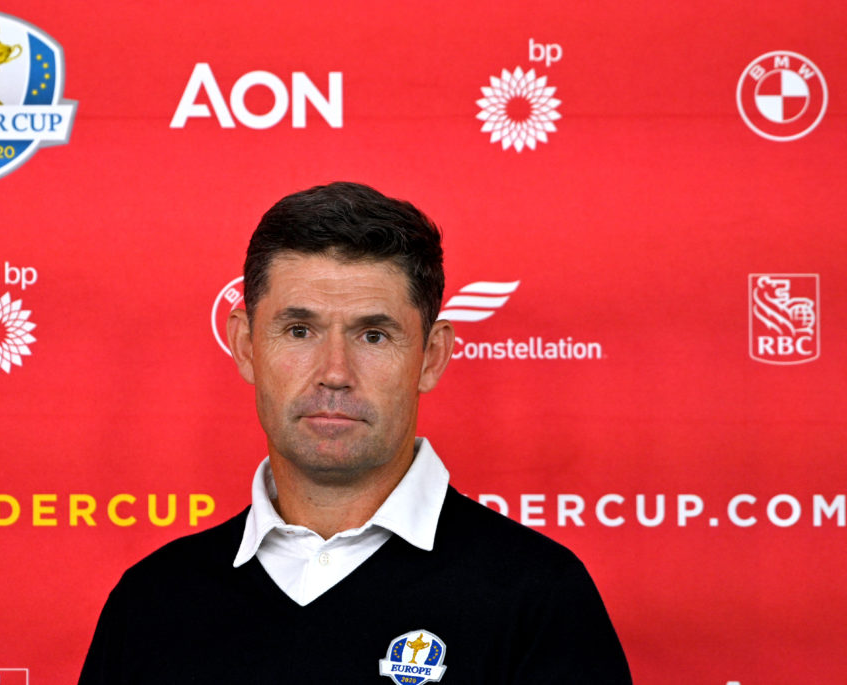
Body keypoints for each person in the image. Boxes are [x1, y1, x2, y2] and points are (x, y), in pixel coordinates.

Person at [78, 182, 632, 684]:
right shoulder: (151, 601)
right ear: (246, 346)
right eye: (300, 330)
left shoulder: (539, 598)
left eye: (373, 335)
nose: (335, 372)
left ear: (432, 356)